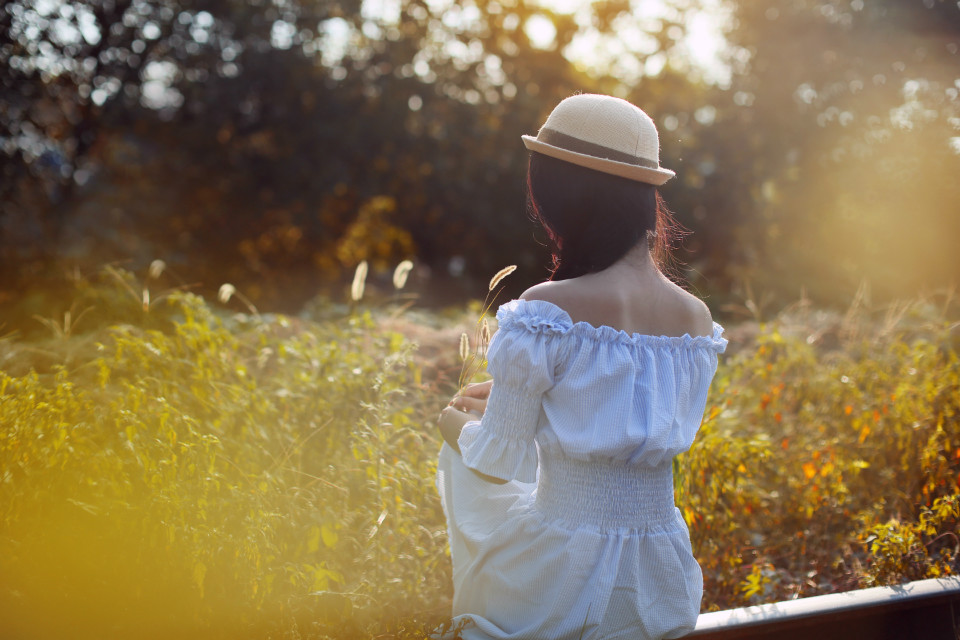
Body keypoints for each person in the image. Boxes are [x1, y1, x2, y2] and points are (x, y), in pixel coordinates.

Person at [435, 93, 727, 640]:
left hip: (558, 568)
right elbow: (624, 425)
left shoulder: (548, 308)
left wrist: (450, 421)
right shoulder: (696, 321)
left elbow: (498, 461)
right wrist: (523, 399)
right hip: (656, 571)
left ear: (561, 197)